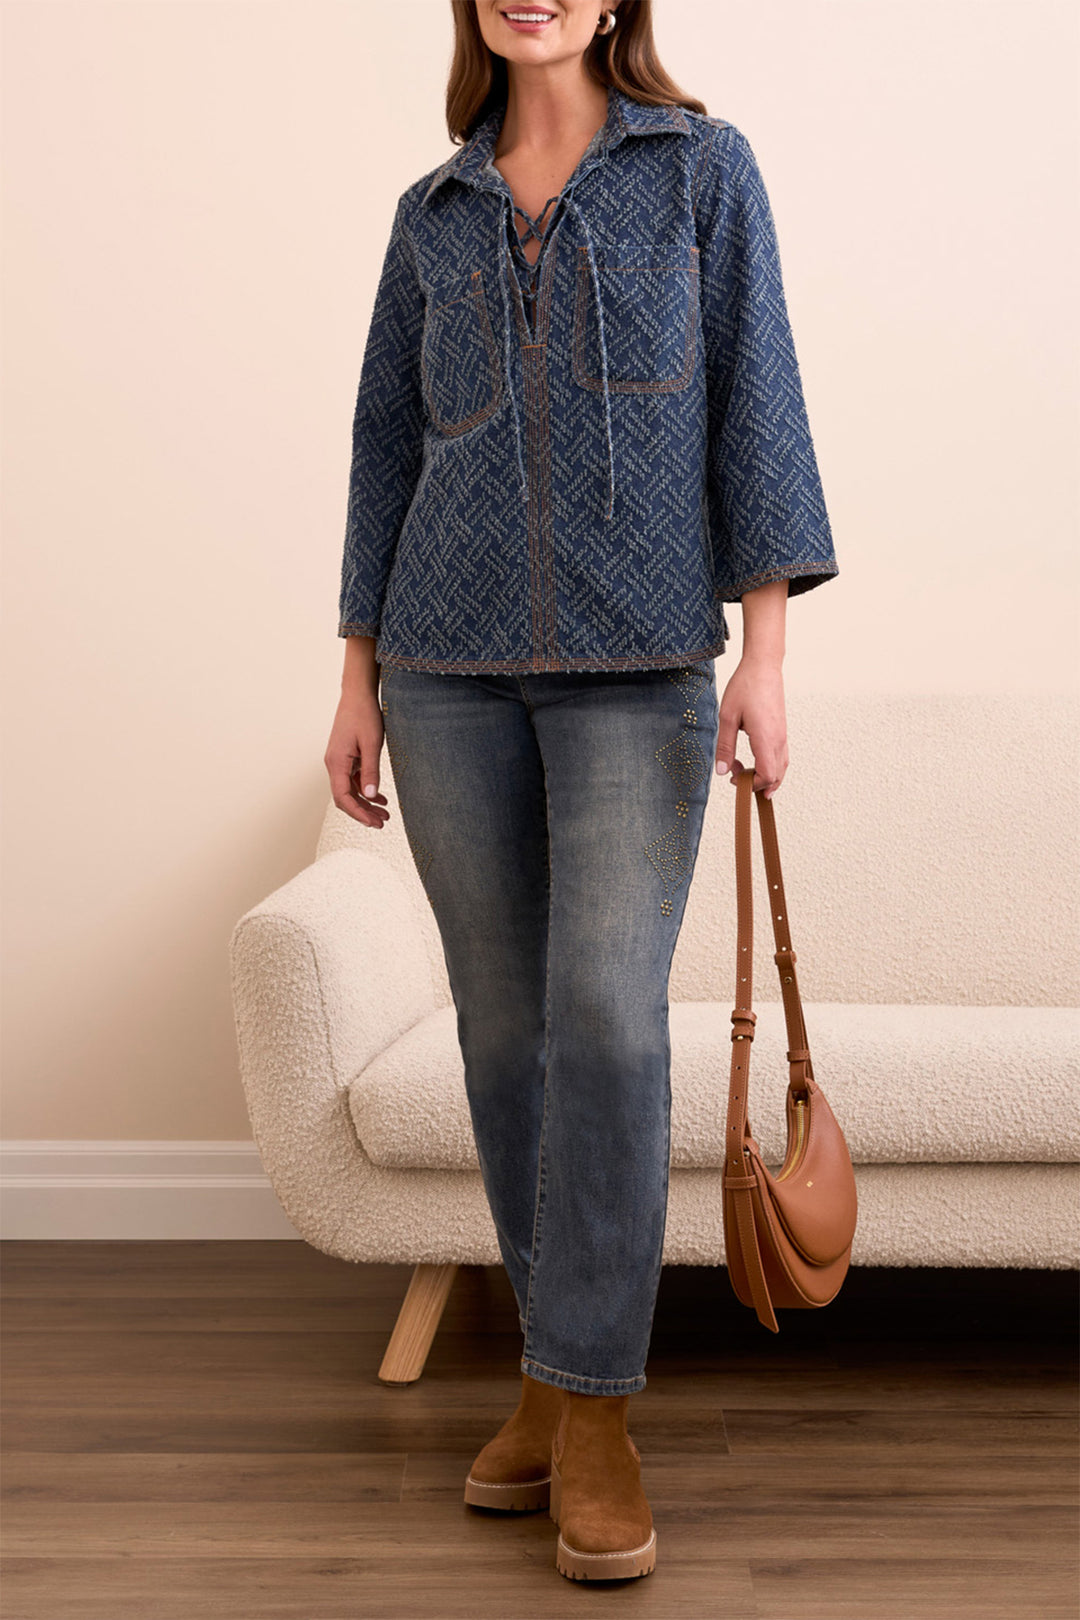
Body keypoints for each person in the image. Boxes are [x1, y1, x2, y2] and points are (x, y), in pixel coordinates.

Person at [325, 0, 839, 1585]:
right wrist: (356, 680)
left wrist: (762, 651)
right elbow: (381, 450)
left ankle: (597, 1405)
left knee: (608, 1019)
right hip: (444, 674)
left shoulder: (701, 171)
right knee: (504, 1032)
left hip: (639, 674)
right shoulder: (435, 213)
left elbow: (759, 401)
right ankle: (553, 1378)